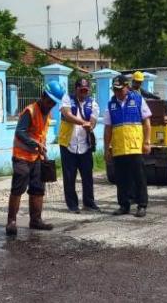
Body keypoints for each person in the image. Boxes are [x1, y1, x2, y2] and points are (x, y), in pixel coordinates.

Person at [6, 81, 65, 236]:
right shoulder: (30, 111)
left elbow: (40, 134)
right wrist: (35, 143)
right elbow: (20, 132)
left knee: (38, 189)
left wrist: (42, 150)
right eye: (49, 101)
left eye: (54, 103)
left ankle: (36, 220)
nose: (51, 104)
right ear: (43, 95)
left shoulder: (48, 113)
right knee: (18, 188)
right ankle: (11, 222)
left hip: (37, 157)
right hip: (21, 157)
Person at [104, 75, 152, 218]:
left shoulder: (137, 99)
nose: (117, 92)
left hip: (135, 146)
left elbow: (147, 122)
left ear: (127, 87)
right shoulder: (111, 104)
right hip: (119, 148)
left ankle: (142, 205)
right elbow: (108, 128)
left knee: (139, 177)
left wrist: (147, 142)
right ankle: (124, 205)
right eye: (115, 89)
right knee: (121, 178)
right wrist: (107, 148)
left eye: (120, 89)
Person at [58, 78, 100, 213]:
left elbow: (93, 121)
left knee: (87, 176)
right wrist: (83, 123)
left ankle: (89, 202)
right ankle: (72, 205)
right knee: (69, 177)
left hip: (85, 145)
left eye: (86, 90)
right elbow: (67, 115)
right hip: (68, 144)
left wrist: (90, 125)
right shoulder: (67, 99)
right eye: (81, 90)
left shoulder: (93, 103)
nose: (84, 93)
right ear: (76, 89)